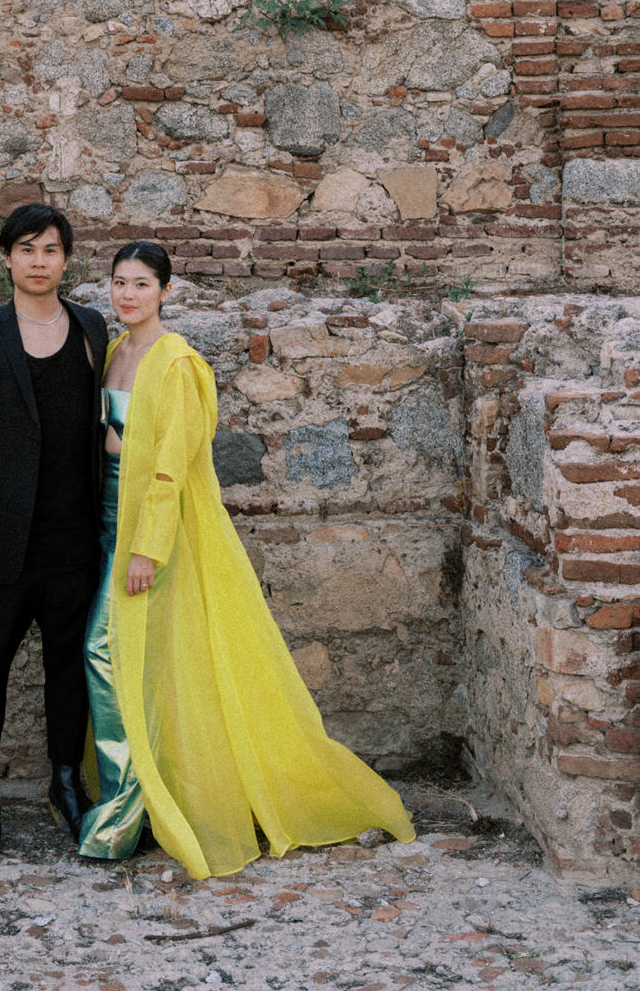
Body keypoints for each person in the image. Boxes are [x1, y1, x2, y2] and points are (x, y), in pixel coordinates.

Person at [78, 240, 416, 877]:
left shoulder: (177, 362)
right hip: (106, 520)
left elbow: (172, 465)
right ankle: (152, 796)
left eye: (142, 284)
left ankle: (123, 814)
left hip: (153, 531)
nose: (128, 294)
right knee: (149, 666)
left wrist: (149, 547)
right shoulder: (117, 351)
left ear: (166, 292)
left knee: (104, 650)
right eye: (119, 283)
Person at [0, 204, 108, 858]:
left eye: (50, 250)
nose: (39, 261)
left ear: (66, 260)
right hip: (0, 540)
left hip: (75, 538)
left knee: (70, 671)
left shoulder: (92, 328)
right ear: (7, 257)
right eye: (27, 249)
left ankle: (66, 784)